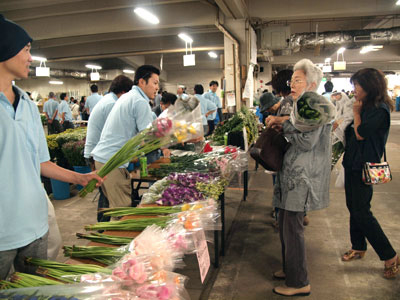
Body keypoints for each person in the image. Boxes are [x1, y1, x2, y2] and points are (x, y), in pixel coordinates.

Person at [0, 14, 104, 279]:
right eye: (26, 50)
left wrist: (78, 177)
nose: (31, 58)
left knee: (37, 290)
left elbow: (40, 163)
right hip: (2, 232)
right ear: (5, 50)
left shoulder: (26, 105)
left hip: (34, 225)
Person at [269, 59, 331, 296]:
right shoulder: (301, 104)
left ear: (312, 84)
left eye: (298, 80)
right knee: (285, 224)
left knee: (293, 228)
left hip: (302, 175)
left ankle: (299, 282)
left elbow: (307, 141)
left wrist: (283, 128)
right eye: (291, 80)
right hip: (293, 172)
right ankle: (290, 268)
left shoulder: (314, 105)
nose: (292, 84)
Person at [341, 68, 399, 279]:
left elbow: (361, 134)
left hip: (365, 165)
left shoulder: (379, 109)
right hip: (352, 163)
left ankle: (390, 256)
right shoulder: (363, 106)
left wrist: (355, 114)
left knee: (362, 211)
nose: (354, 89)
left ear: (369, 86)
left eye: (357, 85)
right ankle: (358, 246)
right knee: (353, 207)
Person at [91, 65, 161, 209]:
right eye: (154, 83)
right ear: (142, 82)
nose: (157, 87)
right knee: (121, 212)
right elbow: (149, 138)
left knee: (113, 209)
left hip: (104, 159)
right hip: (112, 162)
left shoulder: (129, 96)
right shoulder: (140, 101)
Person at [84, 75, 133, 222]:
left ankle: (102, 228)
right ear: (124, 93)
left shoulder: (108, 100)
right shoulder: (113, 104)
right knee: (109, 196)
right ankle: (103, 229)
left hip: (95, 153)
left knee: (106, 196)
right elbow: (113, 135)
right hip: (100, 156)